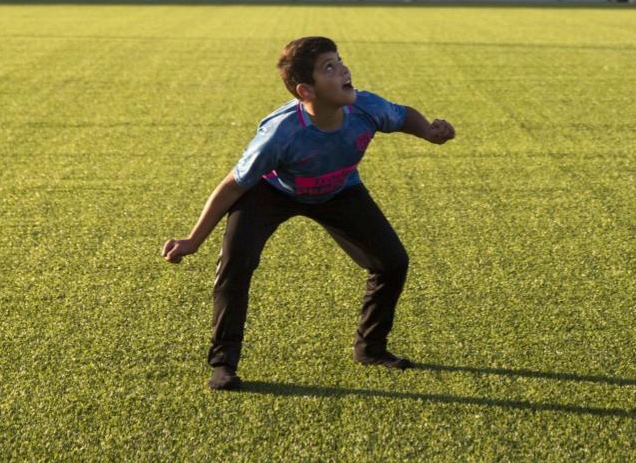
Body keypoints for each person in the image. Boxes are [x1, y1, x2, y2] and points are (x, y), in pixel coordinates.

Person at [162, 36, 456, 391]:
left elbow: (402, 114)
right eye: (328, 67)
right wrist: (193, 240)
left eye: (340, 60)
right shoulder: (280, 133)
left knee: (392, 262)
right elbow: (233, 185)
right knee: (236, 261)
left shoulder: (365, 108)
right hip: (271, 192)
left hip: (339, 189)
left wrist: (427, 131)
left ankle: (371, 348)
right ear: (306, 90)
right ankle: (223, 363)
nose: (344, 69)